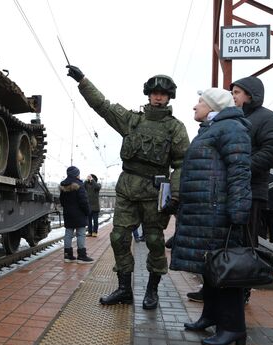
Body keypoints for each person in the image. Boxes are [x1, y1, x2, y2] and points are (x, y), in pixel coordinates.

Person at [66, 65, 190, 310]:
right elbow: (103, 106)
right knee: (119, 238)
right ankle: (124, 289)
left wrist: (175, 195)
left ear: (169, 98)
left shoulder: (175, 128)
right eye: (154, 93)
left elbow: (181, 164)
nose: (158, 97)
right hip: (127, 189)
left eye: (162, 94)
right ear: (148, 95)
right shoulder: (132, 121)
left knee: (154, 240)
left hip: (155, 194)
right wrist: (82, 81)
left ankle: (152, 290)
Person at [170, 87, 252, 345]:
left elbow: (240, 171)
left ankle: (233, 327)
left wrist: (238, 211)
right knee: (211, 269)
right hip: (205, 212)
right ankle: (211, 316)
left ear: (213, 106)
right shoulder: (212, 128)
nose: (195, 106)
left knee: (225, 271)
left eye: (200, 102)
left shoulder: (231, 128)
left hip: (218, 212)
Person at [230, 76, 273, 304]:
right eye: (232, 92)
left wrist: (242, 169)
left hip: (251, 191)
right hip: (230, 190)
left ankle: (241, 291)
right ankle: (219, 286)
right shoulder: (234, 117)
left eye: (237, 92)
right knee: (226, 241)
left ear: (251, 95)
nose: (233, 96)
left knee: (245, 243)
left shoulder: (268, 118)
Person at [59, 166, 94, 264]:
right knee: (81, 234)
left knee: (68, 234)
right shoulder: (79, 185)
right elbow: (83, 201)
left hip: (68, 214)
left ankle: (67, 256)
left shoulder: (63, 185)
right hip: (79, 214)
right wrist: (87, 212)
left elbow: (61, 201)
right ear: (76, 174)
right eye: (78, 173)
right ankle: (82, 256)